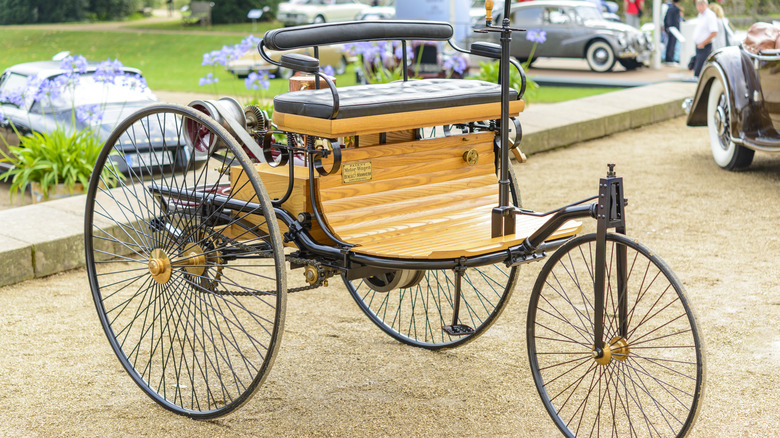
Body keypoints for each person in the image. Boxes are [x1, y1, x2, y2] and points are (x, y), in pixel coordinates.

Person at [691, 0, 718, 78]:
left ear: (706, 5)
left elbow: (714, 32)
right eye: (698, 5)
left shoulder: (710, 15)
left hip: (705, 46)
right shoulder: (700, 15)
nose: (700, 7)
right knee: (697, 68)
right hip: (699, 45)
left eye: (702, 5)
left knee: (700, 69)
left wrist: (703, 43)